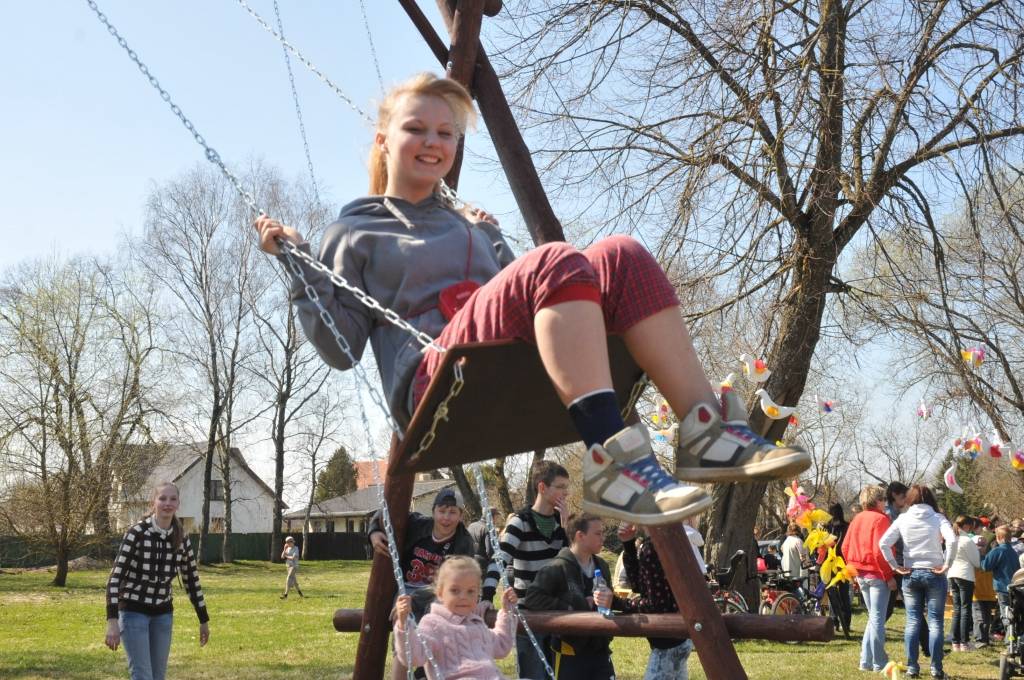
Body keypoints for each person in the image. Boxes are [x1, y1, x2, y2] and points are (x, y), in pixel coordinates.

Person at [254, 73, 810, 529]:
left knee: (623, 254)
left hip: (510, 364)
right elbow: (340, 348)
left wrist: (492, 241)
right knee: (556, 259)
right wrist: (301, 267)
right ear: (383, 140)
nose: (433, 142)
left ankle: (704, 430)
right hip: (436, 381)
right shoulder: (354, 229)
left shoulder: (468, 223)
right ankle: (612, 463)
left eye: (446, 133)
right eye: (416, 128)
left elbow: (533, 300)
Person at [368, 487, 477, 680]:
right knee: (403, 619)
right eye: (442, 511)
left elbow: (456, 582)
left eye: (452, 512)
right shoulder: (417, 524)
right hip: (406, 588)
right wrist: (374, 532)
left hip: (438, 594)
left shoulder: (463, 542)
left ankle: (425, 673)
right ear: (433, 511)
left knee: (434, 620)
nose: (446, 518)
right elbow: (384, 512)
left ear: (461, 515)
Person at [104, 482, 209, 680]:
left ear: (178, 503)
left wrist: (203, 620)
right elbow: (115, 578)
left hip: (163, 614)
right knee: (143, 675)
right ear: (154, 502)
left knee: (158, 676)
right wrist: (112, 622)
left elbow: (192, 580)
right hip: (133, 611)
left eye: (173, 499)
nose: (167, 503)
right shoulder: (137, 533)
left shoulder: (181, 538)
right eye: (162, 498)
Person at [525, 513, 634, 679]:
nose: (603, 538)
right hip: (570, 653)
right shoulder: (556, 568)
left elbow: (609, 600)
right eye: (598, 533)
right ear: (580, 536)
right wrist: (574, 605)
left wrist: (612, 600)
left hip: (600, 650)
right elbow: (532, 598)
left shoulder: (602, 565)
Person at [493, 460, 570, 679]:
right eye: (561, 486)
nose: (566, 492)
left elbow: (568, 566)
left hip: (557, 613)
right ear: (542, 487)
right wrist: (487, 596)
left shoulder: (560, 524)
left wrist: (566, 530)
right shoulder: (520, 522)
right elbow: (498, 560)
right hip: (528, 615)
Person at [394, 555, 517, 680]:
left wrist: (506, 612)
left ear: (478, 594)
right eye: (455, 590)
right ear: (440, 593)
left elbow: (502, 646)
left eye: (470, 591)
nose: (463, 597)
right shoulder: (433, 624)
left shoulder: (476, 623)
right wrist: (403, 624)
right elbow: (415, 657)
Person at [879, 484, 956, 680]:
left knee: (912, 621)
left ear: (910, 499)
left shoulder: (903, 518)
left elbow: (883, 543)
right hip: (934, 572)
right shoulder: (938, 518)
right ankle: (936, 669)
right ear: (931, 500)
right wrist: (947, 564)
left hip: (911, 573)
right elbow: (952, 541)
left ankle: (913, 667)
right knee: (936, 622)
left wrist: (894, 565)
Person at [620, 523, 694, 679]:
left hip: (668, 640)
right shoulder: (666, 540)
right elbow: (640, 586)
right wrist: (628, 544)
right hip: (681, 636)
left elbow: (656, 604)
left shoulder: (652, 547)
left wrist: (619, 604)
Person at [841, 485, 894, 673]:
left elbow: (845, 547)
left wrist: (852, 569)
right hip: (877, 574)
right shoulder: (881, 519)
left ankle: (866, 661)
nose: (885, 504)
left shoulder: (856, 519)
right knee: (877, 619)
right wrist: (889, 575)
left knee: (873, 618)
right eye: (884, 500)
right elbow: (881, 551)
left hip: (860, 574)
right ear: (878, 501)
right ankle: (879, 662)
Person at [982, 524, 1021, 646]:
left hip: (1002, 587)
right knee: (1013, 614)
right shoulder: (1013, 552)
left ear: (998, 537)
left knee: (1006, 615)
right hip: (1015, 587)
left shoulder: (998, 550)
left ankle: (1011, 640)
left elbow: (985, 566)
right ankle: (1013, 638)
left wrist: (982, 555)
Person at [948, 516, 980, 651]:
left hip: (952, 574)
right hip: (965, 574)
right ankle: (964, 642)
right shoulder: (967, 540)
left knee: (957, 609)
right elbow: (976, 562)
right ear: (966, 526)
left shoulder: (952, 539)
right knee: (965, 608)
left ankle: (955, 642)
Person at [826, 502, 852, 636]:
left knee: (832, 594)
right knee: (844, 594)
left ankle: (834, 620)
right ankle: (846, 622)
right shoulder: (847, 527)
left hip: (830, 564)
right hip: (844, 564)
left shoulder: (827, 527)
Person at [467, 507, 504, 578]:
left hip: (470, 560)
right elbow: (489, 551)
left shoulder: (471, 525)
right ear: (492, 516)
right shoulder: (488, 529)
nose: (496, 519)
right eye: (496, 516)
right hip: (483, 564)